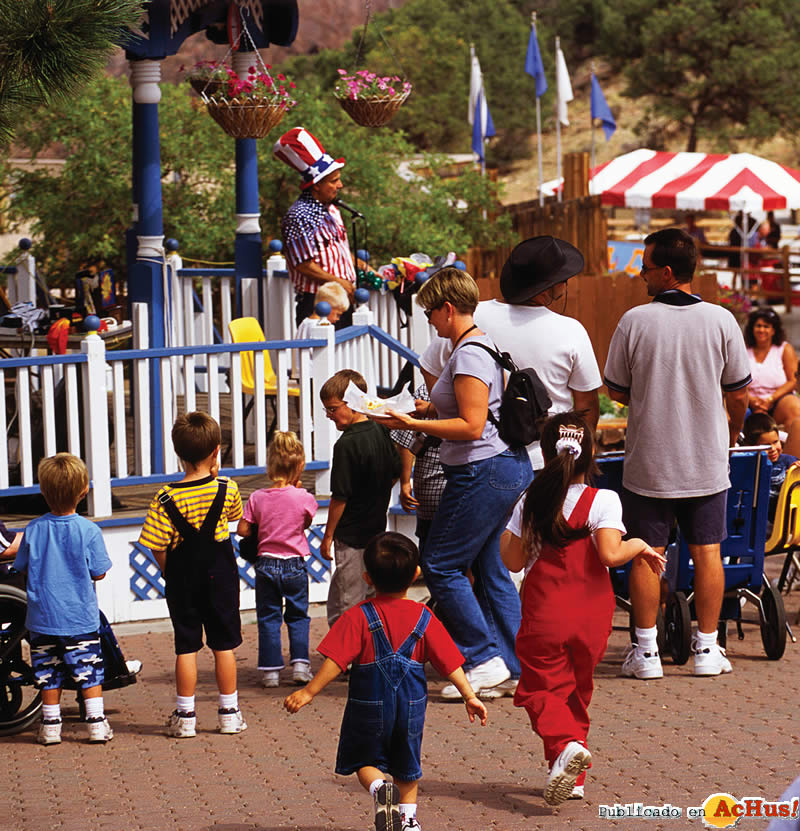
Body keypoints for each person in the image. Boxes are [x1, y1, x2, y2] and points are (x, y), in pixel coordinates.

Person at [375, 267, 533, 700]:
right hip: (501, 467)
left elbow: (472, 423)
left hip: (482, 469)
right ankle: (517, 667)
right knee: (489, 568)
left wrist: (410, 420)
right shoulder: (479, 345)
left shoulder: (467, 353)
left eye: (430, 311)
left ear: (448, 309)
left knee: (441, 563)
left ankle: (483, 658)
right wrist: (424, 409)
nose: (428, 319)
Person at [604, 227, 751, 679]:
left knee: (649, 552)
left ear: (667, 272)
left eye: (646, 267)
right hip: (706, 458)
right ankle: (707, 648)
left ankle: (646, 652)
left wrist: (653, 396)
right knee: (709, 552)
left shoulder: (634, 321)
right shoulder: (722, 321)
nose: (641, 276)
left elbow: (617, 389)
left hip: (650, 459)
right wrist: (733, 430)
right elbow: (739, 392)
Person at [501, 412, 664, 805]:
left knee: (539, 690)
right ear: (591, 454)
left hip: (546, 610)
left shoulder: (533, 499)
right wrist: (639, 544)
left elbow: (512, 561)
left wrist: (510, 528)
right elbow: (610, 555)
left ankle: (565, 746)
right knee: (577, 689)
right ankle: (572, 776)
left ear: (544, 453)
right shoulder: (604, 499)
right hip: (592, 613)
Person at [284, 532, 487, 831]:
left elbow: (336, 662)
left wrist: (309, 691)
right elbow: (450, 662)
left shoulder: (357, 616)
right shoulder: (425, 616)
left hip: (368, 702)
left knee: (364, 759)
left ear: (367, 578)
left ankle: (380, 789)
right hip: (411, 706)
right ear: (416, 574)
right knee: (407, 764)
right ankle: (408, 820)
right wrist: (469, 695)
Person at [419, 236, 602, 471]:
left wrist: (457, 410)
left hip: (480, 456)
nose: (565, 285)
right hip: (548, 459)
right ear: (546, 289)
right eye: (562, 280)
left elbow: (429, 365)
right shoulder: (571, 331)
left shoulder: (471, 317)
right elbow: (586, 405)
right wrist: (581, 458)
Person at [139, 411, 247, 738]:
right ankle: (229, 712)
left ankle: (186, 716)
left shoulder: (165, 497)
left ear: (178, 453)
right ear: (216, 451)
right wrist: (215, 473)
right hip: (220, 575)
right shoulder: (227, 487)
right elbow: (234, 518)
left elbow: (157, 545)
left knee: (186, 646)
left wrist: (169, 570)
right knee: (223, 645)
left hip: (183, 578)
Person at [12, 453, 114, 745]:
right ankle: (95, 724)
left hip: (42, 618)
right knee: (88, 670)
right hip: (79, 617)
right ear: (84, 492)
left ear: (44, 492)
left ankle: (51, 726)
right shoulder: (89, 530)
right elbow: (99, 572)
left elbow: (21, 566)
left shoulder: (33, 529)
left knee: (47, 672)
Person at [320, 369, 402, 627]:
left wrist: (328, 534)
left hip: (351, 533)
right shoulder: (381, 430)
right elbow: (395, 471)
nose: (329, 415)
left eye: (333, 409)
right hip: (376, 527)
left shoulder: (346, 445)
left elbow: (340, 497)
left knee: (349, 599)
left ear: (352, 403)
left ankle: (350, 658)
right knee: (365, 593)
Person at [237, 431, 318, 688]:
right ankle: (301, 666)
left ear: (271, 464)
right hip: (294, 562)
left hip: (266, 563)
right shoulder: (304, 498)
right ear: (299, 465)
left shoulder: (257, 497)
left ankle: (271, 671)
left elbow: (242, 529)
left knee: (269, 617)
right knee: (297, 616)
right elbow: (306, 520)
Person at [273, 127, 357, 327]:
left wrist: (365, 268)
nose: (340, 185)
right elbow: (304, 264)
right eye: (334, 181)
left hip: (341, 297)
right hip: (318, 302)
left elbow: (339, 251)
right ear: (316, 184)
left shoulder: (332, 210)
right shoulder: (299, 216)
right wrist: (340, 283)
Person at [390, 383, 446, 552]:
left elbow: (407, 439)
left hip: (431, 489)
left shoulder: (428, 390)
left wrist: (406, 482)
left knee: (432, 557)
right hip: (470, 488)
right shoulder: (479, 387)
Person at [743, 308, 800, 428]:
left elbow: (793, 381)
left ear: (774, 330)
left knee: (795, 408)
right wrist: (752, 400)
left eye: (766, 326)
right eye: (758, 326)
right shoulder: (743, 349)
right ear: (752, 328)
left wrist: (770, 399)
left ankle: (793, 444)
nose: (761, 330)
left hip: (777, 400)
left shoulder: (784, 349)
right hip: (747, 400)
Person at [742, 413, 800, 521]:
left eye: (775, 442)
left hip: (785, 521)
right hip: (758, 520)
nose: (773, 448)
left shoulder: (789, 462)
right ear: (751, 446)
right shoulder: (748, 466)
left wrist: (795, 474)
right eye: (766, 446)